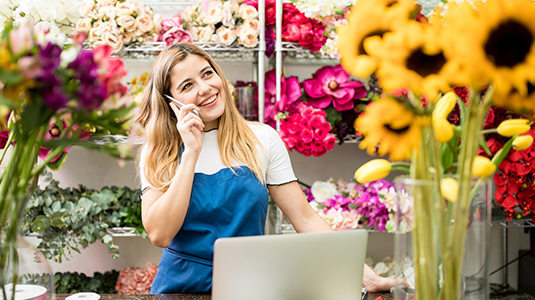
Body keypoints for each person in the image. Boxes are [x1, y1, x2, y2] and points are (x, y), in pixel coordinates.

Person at [136, 42, 397, 294]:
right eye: (187, 85)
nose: (205, 88)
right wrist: (190, 152)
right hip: (180, 288)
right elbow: (160, 234)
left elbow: (304, 218)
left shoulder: (262, 139)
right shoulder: (159, 151)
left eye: (207, 73)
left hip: (247, 285)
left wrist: (364, 275)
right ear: (170, 101)